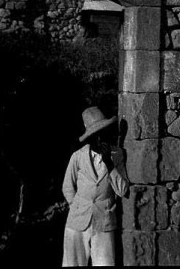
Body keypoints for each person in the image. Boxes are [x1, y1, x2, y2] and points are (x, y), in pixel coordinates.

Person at [62, 106, 129, 266]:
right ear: (89, 137)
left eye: (102, 133)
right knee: (73, 263)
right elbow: (67, 186)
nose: (99, 139)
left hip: (104, 220)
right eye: (94, 135)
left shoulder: (117, 155)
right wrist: (77, 206)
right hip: (77, 221)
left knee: (105, 263)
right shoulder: (78, 157)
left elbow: (122, 190)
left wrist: (110, 164)